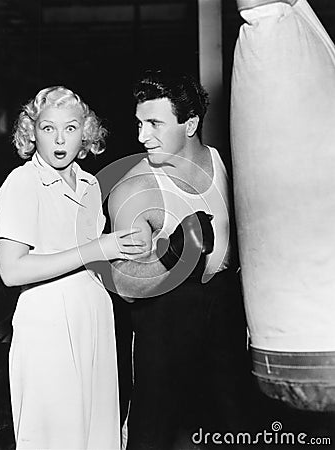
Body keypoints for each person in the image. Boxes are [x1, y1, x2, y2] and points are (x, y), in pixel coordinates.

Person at [0, 86, 144, 450]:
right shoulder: (22, 182)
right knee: (53, 438)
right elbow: (11, 271)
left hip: (94, 315)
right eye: (48, 128)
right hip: (46, 322)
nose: (60, 139)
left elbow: (95, 261)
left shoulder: (91, 185)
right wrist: (98, 247)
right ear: (32, 133)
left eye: (71, 128)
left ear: (86, 134)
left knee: (98, 435)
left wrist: (132, 250)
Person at [108, 70, 250, 449]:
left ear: (190, 123)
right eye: (139, 123)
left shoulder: (230, 166)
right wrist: (175, 255)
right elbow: (124, 285)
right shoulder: (134, 189)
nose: (141, 136)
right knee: (152, 432)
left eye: (154, 123)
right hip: (164, 314)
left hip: (225, 307)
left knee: (235, 424)